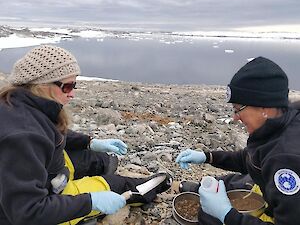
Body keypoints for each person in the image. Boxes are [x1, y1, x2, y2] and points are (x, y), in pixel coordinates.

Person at [0, 45, 172, 225]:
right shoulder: (22, 138)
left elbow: (49, 134)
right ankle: (156, 185)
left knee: (99, 159)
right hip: (36, 206)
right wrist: (91, 202)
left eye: (74, 85)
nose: (72, 93)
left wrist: (90, 142)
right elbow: (28, 213)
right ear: (41, 85)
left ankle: (102, 168)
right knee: (118, 186)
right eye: (67, 86)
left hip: (50, 172)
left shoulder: (17, 102)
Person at [176, 57, 300, 225]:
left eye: (238, 109)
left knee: (209, 217)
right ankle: (199, 190)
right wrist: (207, 156)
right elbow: (249, 159)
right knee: (229, 182)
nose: (235, 118)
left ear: (263, 107)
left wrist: (226, 215)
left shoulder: (285, 161)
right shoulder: (281, 120)